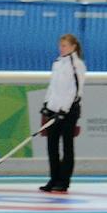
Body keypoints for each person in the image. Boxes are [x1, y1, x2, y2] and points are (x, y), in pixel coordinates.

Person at [39, 33, 86, 194]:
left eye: (65, 46)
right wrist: (47, 104)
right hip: (54, 110)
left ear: (73, 47)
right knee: (52, 145)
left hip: (68, 111)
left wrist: (64, 110)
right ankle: (53, 178)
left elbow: (75, 91)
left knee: (67, 146)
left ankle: (63, 181)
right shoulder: (58, 63)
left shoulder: (77, 64)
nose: (61, 48)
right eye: (60, 45)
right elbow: (53, 87)